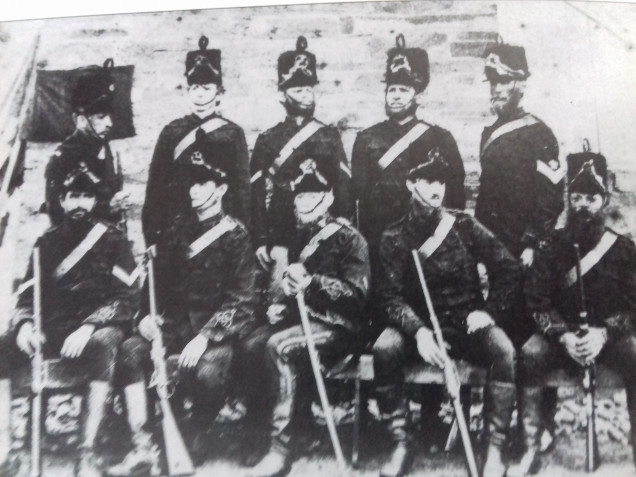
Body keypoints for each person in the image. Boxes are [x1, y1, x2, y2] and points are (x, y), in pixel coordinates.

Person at [110, 148, 258, 474]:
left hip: (215, 334)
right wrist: (145, 317)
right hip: (172, 326)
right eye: (191, 184)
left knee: (205, 373)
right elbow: (153, 285)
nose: (194, 190)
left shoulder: (236, 236)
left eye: (202, 183)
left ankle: (197, 431)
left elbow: (243, 300)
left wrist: (206, 336)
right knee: (131, 351)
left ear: (221, 189)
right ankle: (143, 444)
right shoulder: (176, 230)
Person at [372, 156, 521, 477]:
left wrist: (489, 312)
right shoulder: (393, 237)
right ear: (411, 185)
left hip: (466, 324)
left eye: (441, 182)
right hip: (419, 327)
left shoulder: (464, 225)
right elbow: (389, 296)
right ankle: (401, 442)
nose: (437, 188)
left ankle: (493, 446)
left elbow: (508, 267)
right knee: (384, 349)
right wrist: (418, 332)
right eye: (427, 181)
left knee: (504, 351)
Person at [0, 169, 138, 477]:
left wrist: (90, 325)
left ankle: (86, 452)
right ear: (61, 201)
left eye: (87, 196)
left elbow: (126, 299)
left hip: (101, 326)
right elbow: (26, 298)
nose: (80, 203)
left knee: (102, 345)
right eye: (73, 196)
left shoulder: (115, 240)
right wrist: (24, 325)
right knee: (2, 343)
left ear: (94, 202)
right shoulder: (45, 243)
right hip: (55, 328)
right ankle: (4, 449)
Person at [510, 153, 636, 476]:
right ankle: (531, 447)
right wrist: (563, 334)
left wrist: (604, 333)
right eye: (576, 196)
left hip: (607, 339)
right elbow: (535, 299)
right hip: (561, 338)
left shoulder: (624, 250)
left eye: (591, 197)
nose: (582, 204)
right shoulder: (551, 246)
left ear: (604, 199)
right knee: (530, 353)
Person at [246, 167, 369, 477]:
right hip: (306, 322)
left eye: (312, 195)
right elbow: (297, 289)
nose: (303, 202)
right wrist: (285, 298)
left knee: (279, 346)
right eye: (300, 195)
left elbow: (357, 295)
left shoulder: (349, 238)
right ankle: (281, 434)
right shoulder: (301, 235)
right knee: (253, 343)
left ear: (328, 198)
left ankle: (280, 449)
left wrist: (312, 283)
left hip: (341, 328)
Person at [249, 35, 352, 301]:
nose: (305, 96)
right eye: (297, 90)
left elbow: (342, 185)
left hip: (321, 234)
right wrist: (260, 239)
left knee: (319, 299)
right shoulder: (268, 139)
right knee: (278, 303)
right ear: (282, 94)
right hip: (281, 234)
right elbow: (256, 193)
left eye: (309, 89)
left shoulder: (329, 136)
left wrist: (342, 226)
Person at [352, 33, 465, 253]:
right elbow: (358, 199)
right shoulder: (366, 139)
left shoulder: (441, 139)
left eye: (403, 91)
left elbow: (455, 196)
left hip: (426, 241)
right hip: (380, 240)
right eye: (391, 90)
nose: (395, 96)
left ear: (418, 96)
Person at [142, 35, 251, 247]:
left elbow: (242, 190)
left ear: (219, 93)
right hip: (176, 231)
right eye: (194, 88)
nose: (200, 96)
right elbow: (156, 188)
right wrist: (152, 236)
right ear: (187, 91)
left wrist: (244, 234)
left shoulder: (232, 133)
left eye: (207, 89)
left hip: (220, 230)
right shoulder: (171, 132)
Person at [45, 59, 127, 228]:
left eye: (109, 116)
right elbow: (57, 214)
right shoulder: (63, 157)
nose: (109, 123)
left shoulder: (105, 147)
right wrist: (108, 208)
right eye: (101, 117)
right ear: (81, 120)